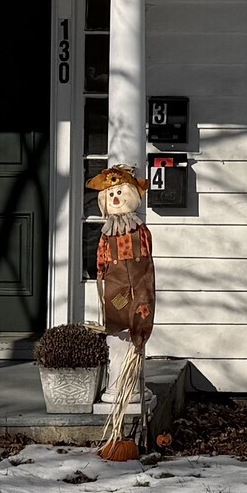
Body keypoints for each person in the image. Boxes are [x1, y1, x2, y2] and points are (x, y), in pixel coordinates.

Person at [89, 163, 155, 461]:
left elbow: (146, 262)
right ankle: (117, 414)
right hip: (115, 287)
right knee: (117, 330)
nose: (115, 197)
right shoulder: (107, 234)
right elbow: (102, 261)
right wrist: (102, 274)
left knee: (135, 328)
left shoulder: (140, 231)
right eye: (110, 193)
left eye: (119, 192)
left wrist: (141, 288)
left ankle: (128, 410)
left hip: (138, 285)